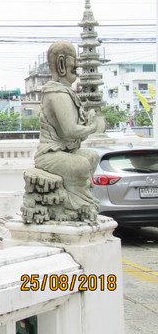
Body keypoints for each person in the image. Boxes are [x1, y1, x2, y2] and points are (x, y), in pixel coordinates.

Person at [33, 40, 103, 219]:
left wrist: (86, 125)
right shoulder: (57, 94)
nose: (77, 66)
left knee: (92, 156)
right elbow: (70, 131)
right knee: (81, 164)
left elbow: (73, 138)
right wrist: (92, 127)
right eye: (74, 61)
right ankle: (76, 204)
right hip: (50, 154)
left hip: (65, 151)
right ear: (62, 63)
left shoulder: (66, 92)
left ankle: (79, 198)